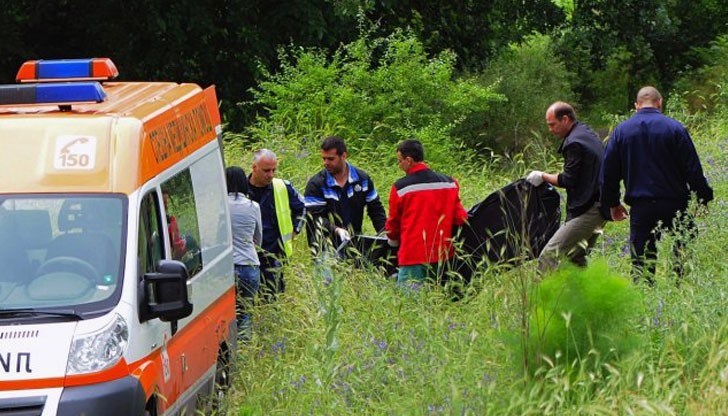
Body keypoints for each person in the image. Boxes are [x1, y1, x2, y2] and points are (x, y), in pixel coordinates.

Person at [600, 86, 713, 283]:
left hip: (641, 206)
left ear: (636, 106)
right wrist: (703, 198)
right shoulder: (675, 128)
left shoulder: (621, 132)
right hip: (675, 203)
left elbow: (608, 173)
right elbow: (693, 170)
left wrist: (612, 203)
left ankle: (645, 305)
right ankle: (682, 293)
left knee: (641, 263)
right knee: (682, 255)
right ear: (660, 103)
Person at [527, 101, 606, 271]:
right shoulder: (586, 132)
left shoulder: (574, 142)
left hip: (590, 209)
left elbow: (568, 180)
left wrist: (543, 176)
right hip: (600, 205)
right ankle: (581, 297)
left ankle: (549, 297)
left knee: (549, 256)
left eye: (552, 124)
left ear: (565, 119)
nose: (550, 129)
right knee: (575, 258)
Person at [385, 139, 468, 286]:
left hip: (412, 257)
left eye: (399, 161)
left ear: (409, 160)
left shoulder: (400, 188)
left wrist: (392, 241)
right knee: (440, 304)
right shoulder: (449, 183)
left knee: (410, 306)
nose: (399, 165)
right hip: (443, 256)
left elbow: (393, 225)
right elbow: (461, 218)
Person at [305, 136, 386, 252]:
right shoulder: (316, 184)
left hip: (354, 245)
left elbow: (376, 210)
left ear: (343, 156)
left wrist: (385, 235)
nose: (326, 163)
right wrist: (336, 230)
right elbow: (314, 218)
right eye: (324, 158)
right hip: (324, 249)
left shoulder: (362, 179)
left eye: (330, 159)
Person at [247, 149, 306, 298]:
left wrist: (296, 230)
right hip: (247, 255)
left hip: (274, 253)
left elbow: (303, 208)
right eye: (266, 170)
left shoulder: (282, 187)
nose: (271, 174)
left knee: (273, 299)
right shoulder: (240, 189)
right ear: (254, 168)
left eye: (274, 170)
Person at [226, 166, 262, 340]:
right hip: (249, 264)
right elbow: (258, 237)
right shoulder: (253, 206)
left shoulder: (221, 204)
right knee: (246, 312)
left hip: (227, 267)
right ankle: (245, 348)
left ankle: (230, 351)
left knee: (228, 313)